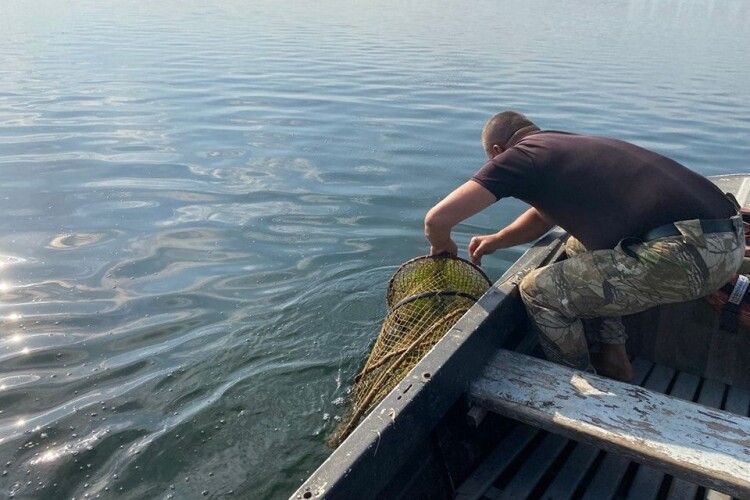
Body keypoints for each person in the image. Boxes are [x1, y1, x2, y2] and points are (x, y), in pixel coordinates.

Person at [424, 111, 743, 381]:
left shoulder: (518, 157)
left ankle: (578, 382)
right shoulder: (562, 144)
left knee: (539, 292)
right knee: (578, 249)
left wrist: (442, 246)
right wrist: (497, 241)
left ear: (497, 150)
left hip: (690, 255)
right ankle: (614, 355)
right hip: (731, 239)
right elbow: (542, 218)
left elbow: (437, 220)